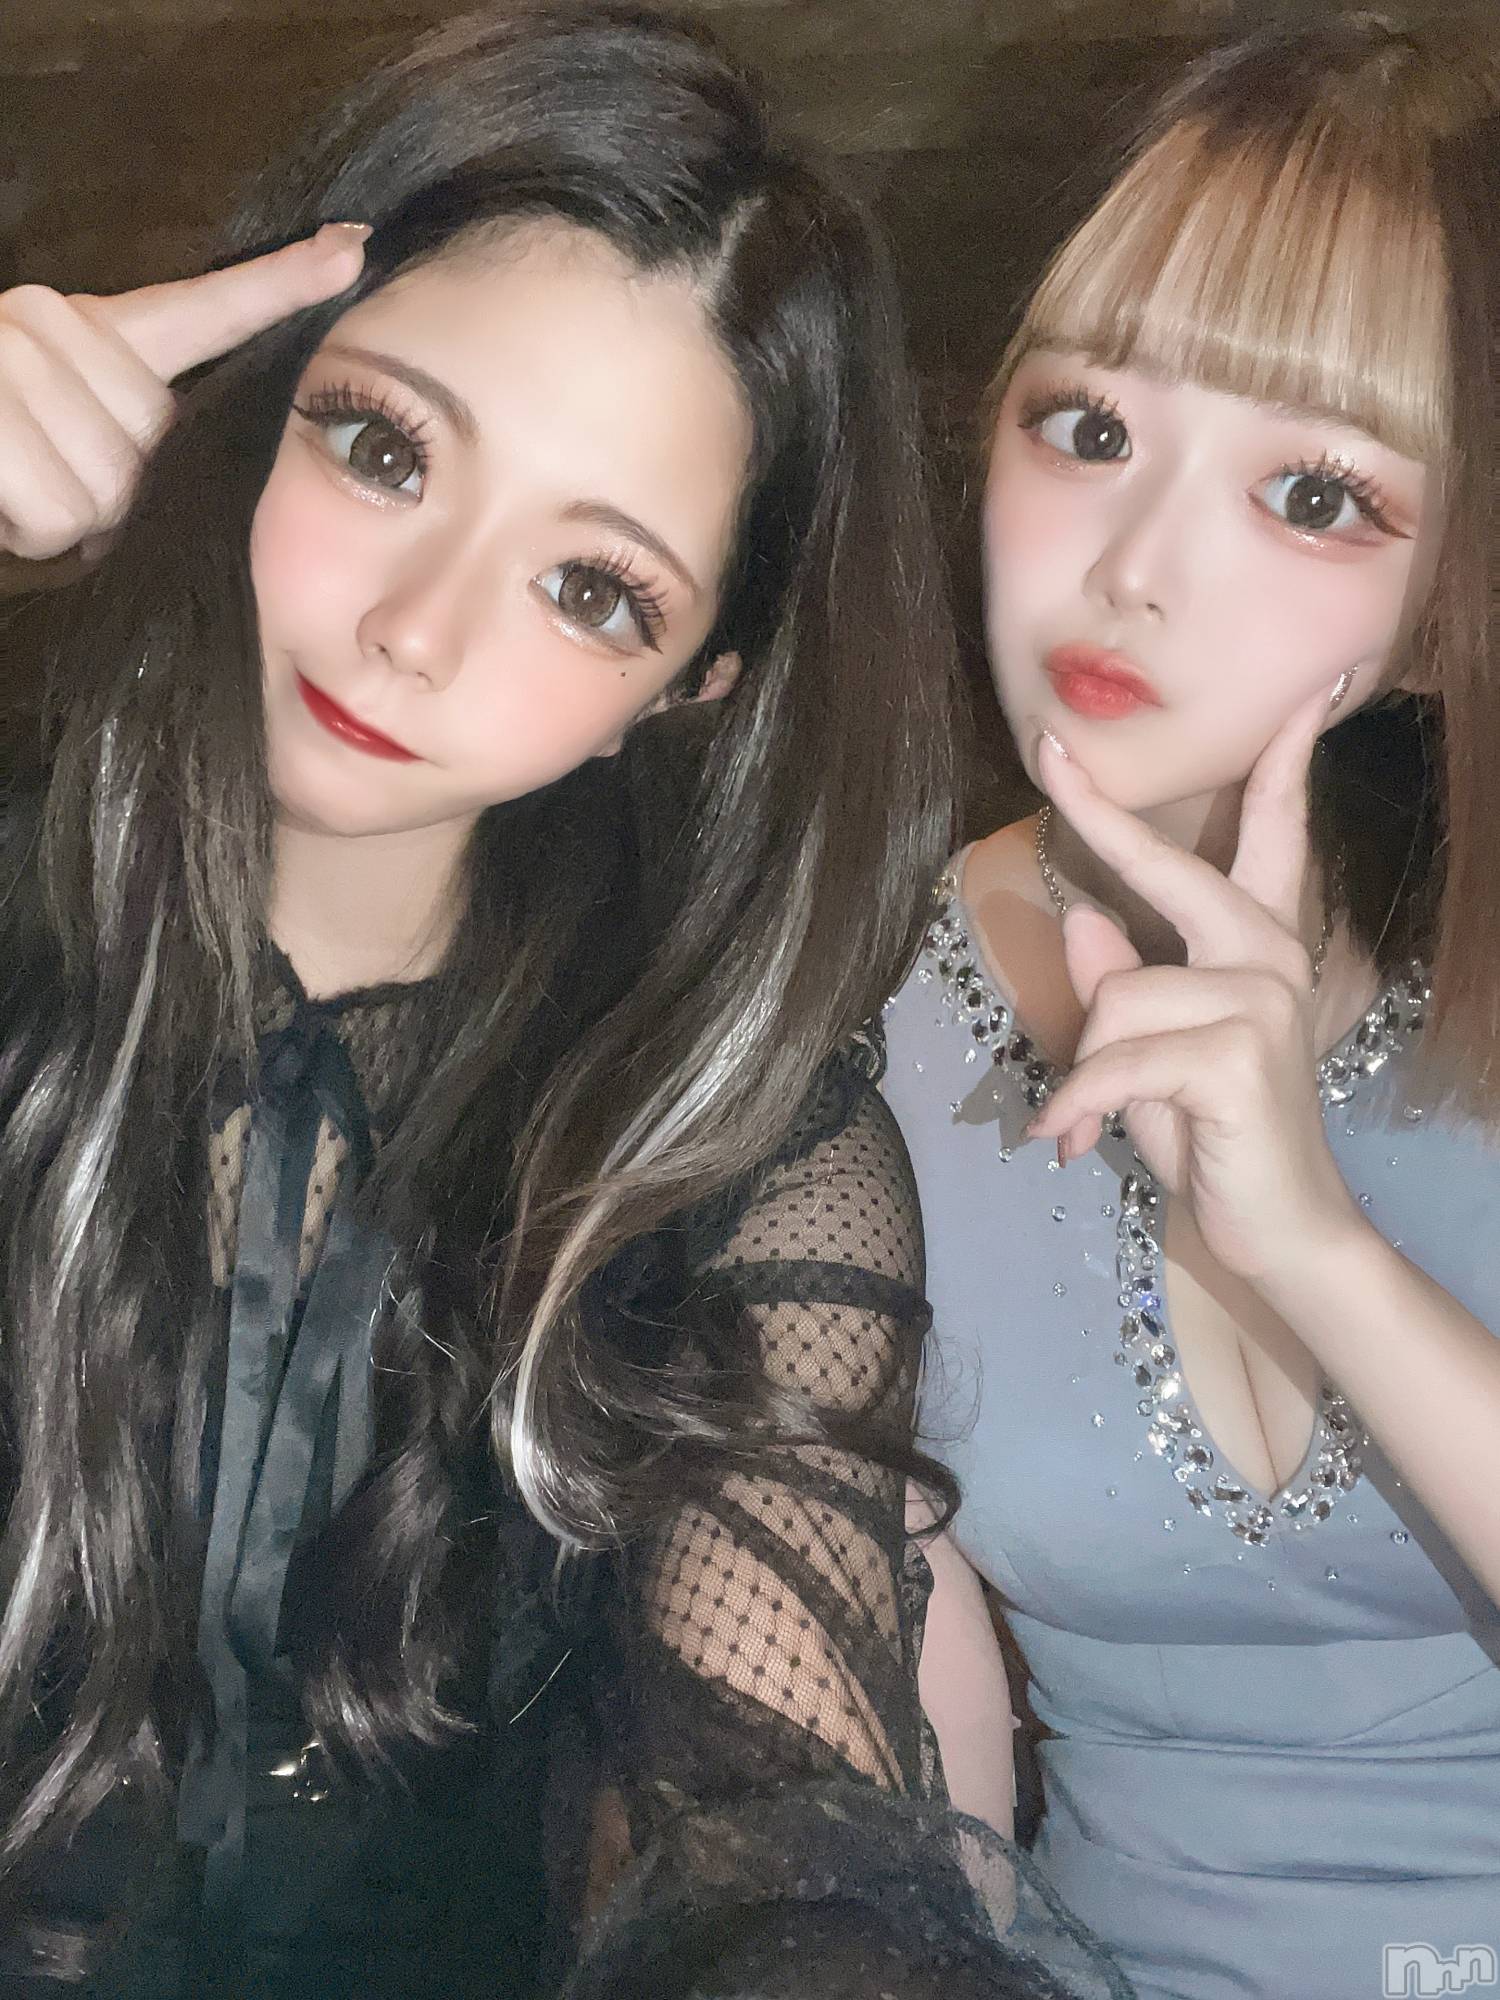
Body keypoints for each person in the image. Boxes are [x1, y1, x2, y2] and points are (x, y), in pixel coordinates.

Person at [0, 7, 1133, 1998]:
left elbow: (780, 1825)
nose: (417, 629)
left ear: (689, 686)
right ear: (251, 401)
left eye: (592, 586)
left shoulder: (730, 1148)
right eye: (383, 448)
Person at [883, 18, 1500, 2000]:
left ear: (1454, 583)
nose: (1136, 570)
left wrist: (1315, 1245)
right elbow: (916, 1803)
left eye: (1312, 492)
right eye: (1086, 429)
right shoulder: (844, 1025)